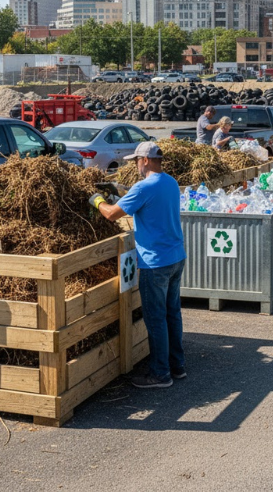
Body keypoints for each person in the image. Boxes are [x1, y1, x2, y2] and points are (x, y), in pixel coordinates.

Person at [89, 141, 186, 389]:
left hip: (155, 263)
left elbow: (111, 214)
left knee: (155, 319)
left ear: (144, 160)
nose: (135, 166)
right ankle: (177, 366)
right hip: (176, 257)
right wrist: (121, 194)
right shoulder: (171, 182)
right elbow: (147, 205)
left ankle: (160, 374)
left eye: (136, 161)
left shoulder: (143, 187)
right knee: (172, 313)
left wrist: (98, 200)